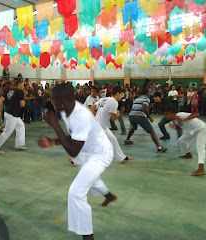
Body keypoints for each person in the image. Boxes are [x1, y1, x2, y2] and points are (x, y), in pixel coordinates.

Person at [38, 83, 117, 240]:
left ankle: (88, 237)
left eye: (53, 101)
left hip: (100, 153)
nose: (52, 103)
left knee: (76, 192)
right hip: (88, 151)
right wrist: (53, 142)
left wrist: (55, 126)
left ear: (63, 101)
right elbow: (74, 137)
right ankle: (109, 196)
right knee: (89, 178)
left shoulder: (81, 116)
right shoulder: (66, 110)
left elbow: (73, 150)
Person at [91, 86, 133, 163]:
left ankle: (121, 157)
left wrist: (95, 117)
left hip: (101, 126)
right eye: (121, 94)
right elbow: (113, 118)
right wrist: (118, 114)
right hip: (99, 127)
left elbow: (92, 108)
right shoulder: (114, 102)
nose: (122, 96)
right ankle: (74, 159)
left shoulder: (104, 99)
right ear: (117, 94)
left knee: (113, 139)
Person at [166, 108, 206, 176]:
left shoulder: (181, 115)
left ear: (173, 113)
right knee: (181, 140)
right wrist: (175, 128)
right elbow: (182, 127)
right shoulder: (175, 121)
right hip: (192, 130)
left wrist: (183, 119)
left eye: (167, 114)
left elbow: (195, 114)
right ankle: (188, 154)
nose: (166, 116)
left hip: (201, 128)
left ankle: (201, 169)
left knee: (200, 147)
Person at [125, 88, 167, 153]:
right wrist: (150, 117)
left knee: (133, 127)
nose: (150, 94)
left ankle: (127, 140)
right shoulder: (146, 99)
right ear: (146, 93)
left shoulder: (137, 98)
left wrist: (149, 107)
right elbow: (145, 108)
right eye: (149, 92)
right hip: (139, 116)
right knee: (152, 132)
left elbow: (140, 107)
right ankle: (159, 148)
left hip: (131, 116)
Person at [0, 80, 26, 154]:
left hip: (9, 113)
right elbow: (22, 104)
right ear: (19, 85)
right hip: (13, 115)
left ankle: (19, 144)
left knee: (21, 126)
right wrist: (23, 100)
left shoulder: (9, 91)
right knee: (7, 131)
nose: (23, 86)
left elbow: (1, 99)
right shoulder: (20, 92)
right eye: (23, 85)